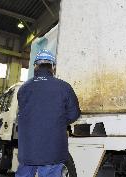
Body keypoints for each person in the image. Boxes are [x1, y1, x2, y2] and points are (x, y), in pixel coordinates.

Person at [15, 49, 80, 177]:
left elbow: (23, 114)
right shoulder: (64, 87)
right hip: (53, 149)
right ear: (53, 67)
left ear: (35, 66)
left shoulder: (23, 88)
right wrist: (58, 121)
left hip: (27, 149)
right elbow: (74, 114)